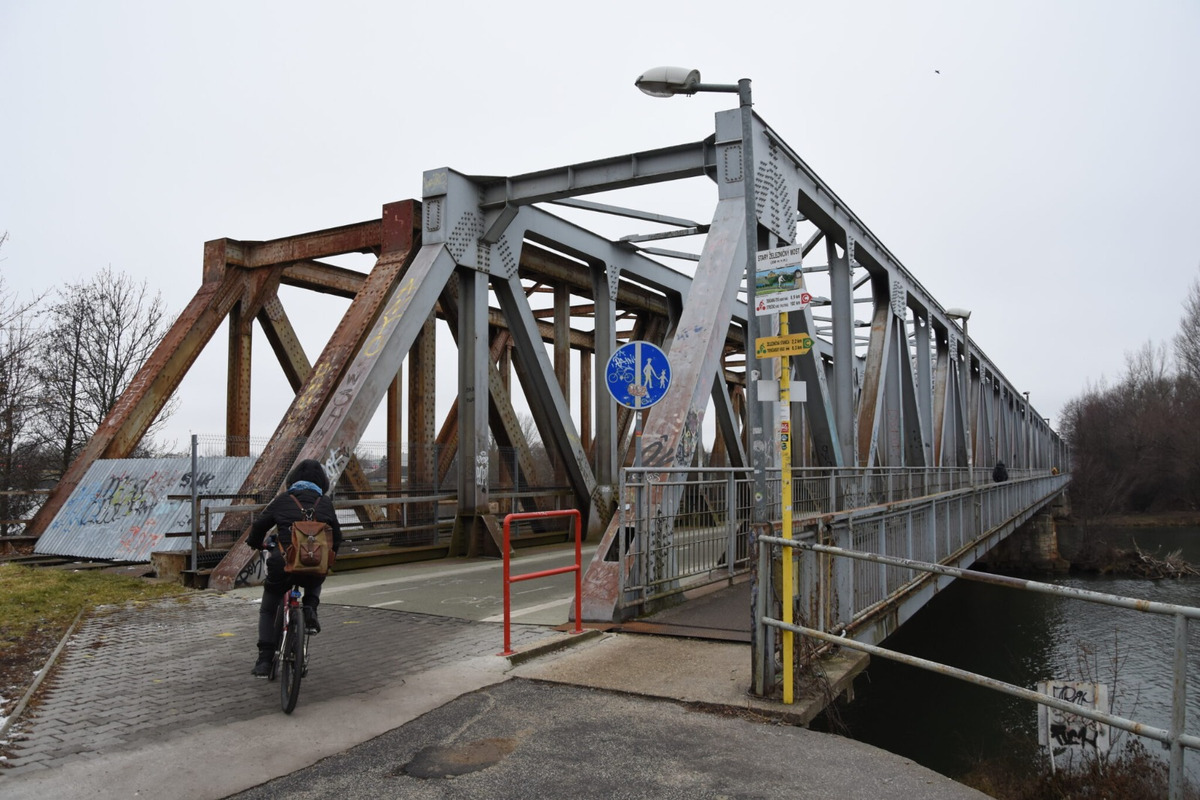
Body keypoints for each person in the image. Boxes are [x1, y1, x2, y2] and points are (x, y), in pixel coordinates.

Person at [246, 459, 342, 677]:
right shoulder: (325, 503)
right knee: (318, 569)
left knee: (268, 608)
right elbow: (337, 537)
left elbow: (259, 525)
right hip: (313, 568)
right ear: (322, 482)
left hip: (283, 566)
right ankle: (310, 608)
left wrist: (255, 543)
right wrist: (329, 556)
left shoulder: (283, 500)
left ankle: (264, 661)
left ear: (293, 480)